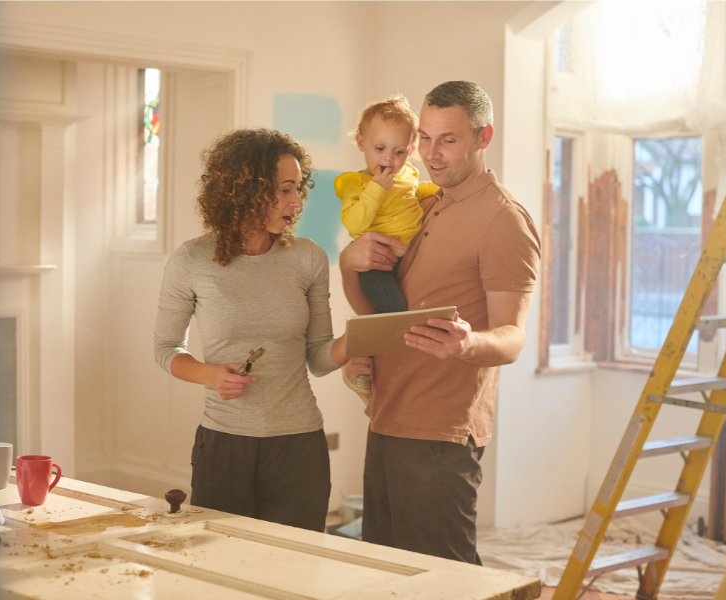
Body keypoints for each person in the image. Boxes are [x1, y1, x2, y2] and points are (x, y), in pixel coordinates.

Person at [340, 81, 541, 563]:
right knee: (384, 575)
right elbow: (376, 311)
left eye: (447, 139)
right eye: (424, 138)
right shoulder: (421, 202)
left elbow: (513, 338)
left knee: (444, 582)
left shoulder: (503, 221)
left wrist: (468, 345)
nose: (430, 153)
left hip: (440, 432)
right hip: (387, 415)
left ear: (483, 137)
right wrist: (349, 262)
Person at [153, 128, 347, 533]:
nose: (296, 202)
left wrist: (355, 347)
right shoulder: (192, 259)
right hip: (225, 445)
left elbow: (318, 356)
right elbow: (166, 348)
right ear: (244, 191)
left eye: (298, 189)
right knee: (220, 573)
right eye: (284, 190)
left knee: (297, 572)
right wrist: (210, 375)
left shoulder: (308, 259)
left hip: (299, 444)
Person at [334, 94, 438, 400]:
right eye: (379, 149)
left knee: (392, 310)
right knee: (393, 310)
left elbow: (421, 191)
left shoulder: (407, 176)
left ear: (411, 150)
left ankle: (372, 362)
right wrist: (376, 188)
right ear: (361, 142)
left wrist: (449, 191)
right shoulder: (354, 182)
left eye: (399, 151)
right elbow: (355, 223)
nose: (388, 159)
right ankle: (361, 367)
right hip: (374, 261)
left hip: (402, 259)